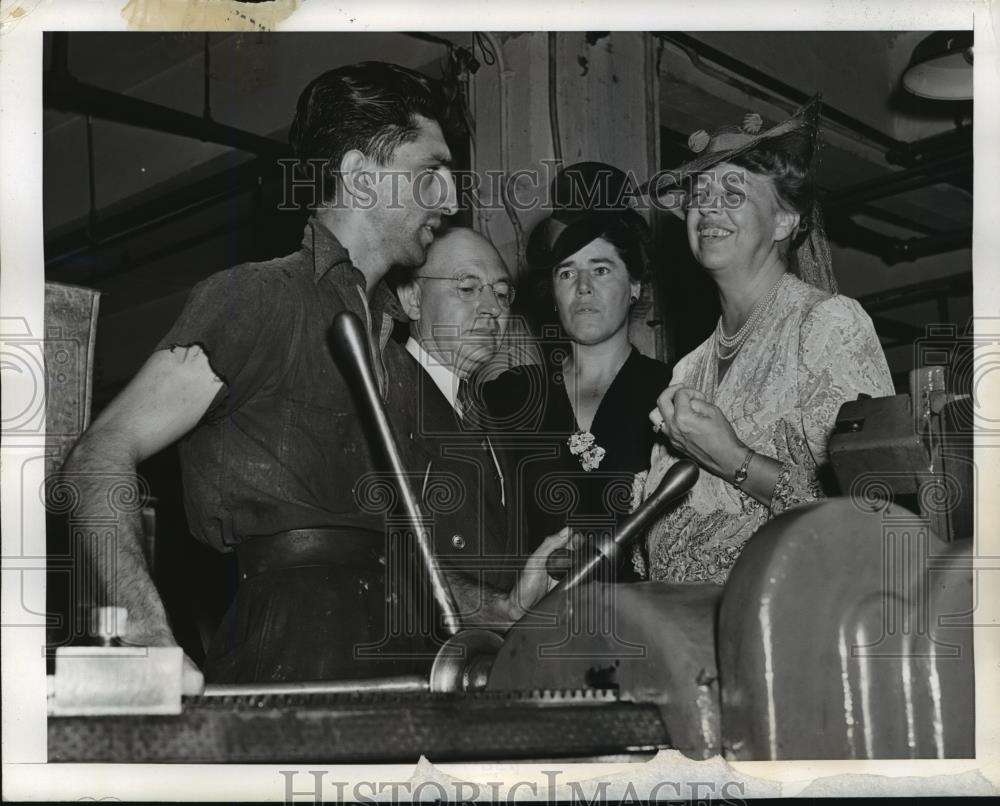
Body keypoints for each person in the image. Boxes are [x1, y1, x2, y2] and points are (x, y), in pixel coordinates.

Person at [62, 62, 463, 685]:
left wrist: (506, 605)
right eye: (430, 173)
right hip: (292, 658)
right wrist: (142, 633)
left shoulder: (394, 349)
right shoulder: (258, 298)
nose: (453, 199)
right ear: (359, 177)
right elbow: (98, 455)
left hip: (407, 656)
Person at [639, 96, 895, 584]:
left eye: (733, 193)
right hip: (687, 638)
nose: (707, 206)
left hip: (787, 627)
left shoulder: (825, 325)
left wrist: (734, 460)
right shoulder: (687, 368)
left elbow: (869, 511)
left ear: (785, 220)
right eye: (700, 192)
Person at [483, 162, 672, 577]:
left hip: (638, 625)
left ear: (635, 285)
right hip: (532, 627)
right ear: (552, 291)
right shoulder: (510, 396)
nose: (583, 286)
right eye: (567, 271)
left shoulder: (672, 393)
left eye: (601, 269)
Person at [389, 227, 569, 632]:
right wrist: (496, 607)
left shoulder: (490, 414)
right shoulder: (382, 396)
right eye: (468, 288)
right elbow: (377, 554)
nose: (492, 308)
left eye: (502, 294)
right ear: (412, 298)